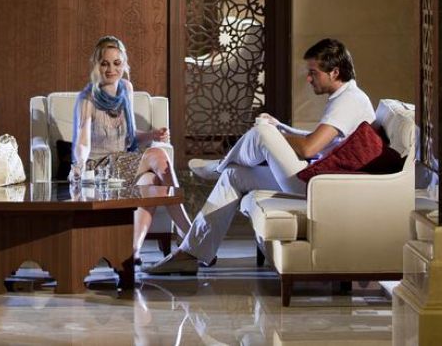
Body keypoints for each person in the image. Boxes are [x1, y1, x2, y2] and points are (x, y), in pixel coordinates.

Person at [145, 37, 374, 275]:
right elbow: (322, 141)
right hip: (316, 178)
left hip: (319, 186)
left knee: (261, 133)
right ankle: (190, 252)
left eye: (313, 72)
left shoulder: (349, 101)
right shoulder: (346, 97)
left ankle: (218, 167)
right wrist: (281, 127)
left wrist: (274, 135)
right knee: (234, 174)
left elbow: (309, 148)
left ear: (335, 72)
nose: (308, 78)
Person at [72, 35, 193, 259]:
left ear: (124, 64)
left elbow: (130, 135)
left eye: (116, 63)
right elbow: (83, 141)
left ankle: (132, 252)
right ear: (96, 65)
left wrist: (153, 135)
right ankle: (190, 234)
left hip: (124, 162)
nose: (111, 69)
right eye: (105, 63)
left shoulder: (126, 89)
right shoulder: (87, 98)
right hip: (100, 169)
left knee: (151, 182)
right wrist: (79, 166)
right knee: (158, 154)